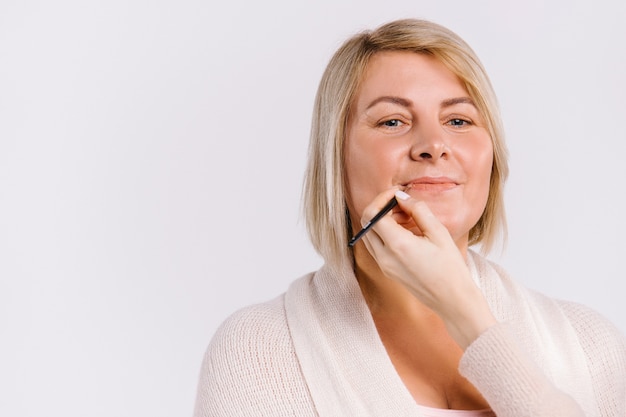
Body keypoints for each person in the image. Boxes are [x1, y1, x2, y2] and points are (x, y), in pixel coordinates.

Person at [193, 18, 626, 416]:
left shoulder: (591, 348)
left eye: (458, 120)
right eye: (393, 121)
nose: (433, 145)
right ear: (336, 160)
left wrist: (467, 315)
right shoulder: (261, 351)